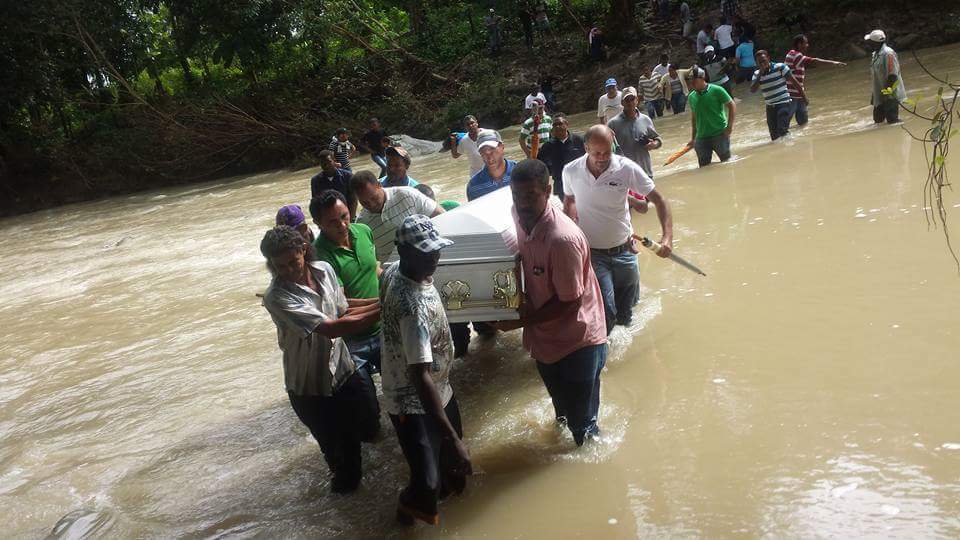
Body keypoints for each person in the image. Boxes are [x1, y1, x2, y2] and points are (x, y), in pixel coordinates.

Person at [259, 225, 381, 494]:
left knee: (364, 432)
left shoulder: (324, 269)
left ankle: (358, 497)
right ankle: (345, 503)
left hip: (343, 371)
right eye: (281, 266)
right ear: (272, 265)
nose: (290, 271)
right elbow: (332, 328)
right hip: (310, 389)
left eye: (294, 262)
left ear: (303, 249)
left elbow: (344, 308)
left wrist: (385, 297)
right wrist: (388, 306)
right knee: (339, 457)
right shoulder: (277, 297)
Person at [494, 160, 607, 445]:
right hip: (545, 336)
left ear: (547, 190)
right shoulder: (518, 215)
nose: (522, 203)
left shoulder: (562, 239)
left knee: (583, 427)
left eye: (531, 195)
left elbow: (570, 303)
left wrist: (519, 321)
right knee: (561, 414)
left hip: (579, 338)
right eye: (517, 195)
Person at [379, 214, 470, 525]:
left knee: (456, 474)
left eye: (436, 249)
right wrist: (452, 438)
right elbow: (419, 375)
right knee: (427, 485)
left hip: (440, 388)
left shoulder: (394, 270)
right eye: (425, 252)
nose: (434, 257)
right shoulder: (412, 307)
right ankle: (403, 516)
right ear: (404, 252)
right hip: (410, 399)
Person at [562, 125, 674, 334]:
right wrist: (570, 237)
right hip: (593, 253)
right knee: (606, 310)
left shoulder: (626, 168)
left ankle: (628, 352)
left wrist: (667, 238)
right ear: (586, 148)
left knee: (627, 311)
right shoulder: (571, 171)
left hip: (625, 250)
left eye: (607, 152)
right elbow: (569, 200)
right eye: (597, 153)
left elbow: (660, 199)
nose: (603, 158)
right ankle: (605, 354)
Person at [309, 189, 384, 374]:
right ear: (318, 223)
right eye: (333, 222)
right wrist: (384, 303)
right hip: (353, 340)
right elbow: (339, 306)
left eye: (344, 216)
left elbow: (374, 269)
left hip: (385, 329)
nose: (342, 225)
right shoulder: (319, 256)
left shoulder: (364, 231)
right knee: (364, 398)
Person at [352, 170, 444, 263]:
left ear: (379, 185)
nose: (371, 204)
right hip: (389, 270)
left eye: (373, 198)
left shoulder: (407, 195)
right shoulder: (362, 223)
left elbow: (441, 215)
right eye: (364, 202)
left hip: (422, 261)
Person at [784, 34, 847, 127]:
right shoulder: (797, 56)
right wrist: (834, 63)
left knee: (803, 122)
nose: (807, 45)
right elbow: (815, 61)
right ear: (799, 44)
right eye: (806, 43)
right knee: (786, 122)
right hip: (793, 94)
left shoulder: (790, 53)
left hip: (797, 93)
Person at [607, 87, 663, 178]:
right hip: (625, 174)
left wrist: (654, 144)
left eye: (632, 99)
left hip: (645, 172)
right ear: (622, 103)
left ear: (637, 100)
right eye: (627, 100)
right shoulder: (612, 124)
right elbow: (606, 149)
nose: (630, 102)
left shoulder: (646, 119)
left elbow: (658, 139)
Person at [687, 67, 736, 166]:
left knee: (727, 164)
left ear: (702, 78)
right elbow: (694, 118)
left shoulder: (717, 90)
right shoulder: (691, 96)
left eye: (694, 81)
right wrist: (693, 138)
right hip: (701, 138)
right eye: (690, 81)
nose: (692, 84)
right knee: (704, 168)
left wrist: (729, 127)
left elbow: (732, 105)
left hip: (720, 134)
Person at [751, 50, 805, 141]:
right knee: (774, 137)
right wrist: (760, 73)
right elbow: (752, 90)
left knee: (782, 130)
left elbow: (795, 83)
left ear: (768, 58)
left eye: (764, 60)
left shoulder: (780, 67)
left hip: (784, 103)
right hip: (770, 107)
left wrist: (804, 98)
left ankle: (790, 148)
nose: (762, 63)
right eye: (759, 62)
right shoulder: (756, 74)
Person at [537, 113, 586, 197]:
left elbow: (590, 159)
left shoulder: (579, 140)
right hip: (560, 184)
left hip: (580, 181)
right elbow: (540, 167)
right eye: (555, 125)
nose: (557, 127)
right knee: (562, 209)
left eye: (560, 124)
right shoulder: (547, 146)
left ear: (566, 124)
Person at [865, 30, 906, 125]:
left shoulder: (888, 54)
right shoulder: (875, 54)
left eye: (870, 41)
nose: (868, 43)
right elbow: (877, 78)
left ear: (874, 43)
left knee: (892, 121)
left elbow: (893, 75)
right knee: (878, 121)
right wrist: (874, 95)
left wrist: (886, 94)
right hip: (879, 93)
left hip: (890, 93)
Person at [468, 129, 516, 201]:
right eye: (483, 151)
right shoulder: (474, 187)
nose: (489, 157)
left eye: (492, 149)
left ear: (502, 147)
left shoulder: (522, 173)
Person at [311, 150, 357, 220]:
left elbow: (353, 201)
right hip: (328, 219)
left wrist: (350, 220)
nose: (326, 165)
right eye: (322, 163)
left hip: (348, 215)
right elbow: (316, 204)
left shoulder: (347, 176)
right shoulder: (316, 181)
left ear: (334, 160)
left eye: (329, 162)